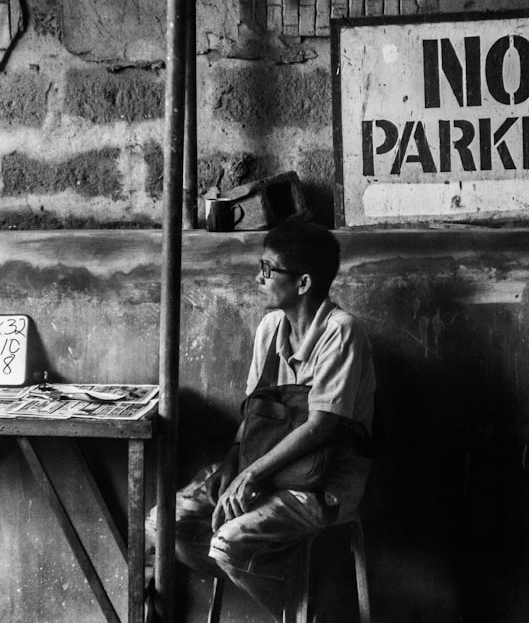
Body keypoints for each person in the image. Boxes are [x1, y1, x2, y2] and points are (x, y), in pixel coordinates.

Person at [148, 217, 376, 622]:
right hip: (265, 465)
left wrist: (249, 477)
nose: (259, 277)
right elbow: (253, 412)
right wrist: (233, 467)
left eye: (269, 270)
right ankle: (289, 592)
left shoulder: (342, 333)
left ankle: (309, 614)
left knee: (228, 543)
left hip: (323, 479)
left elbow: (321, 426)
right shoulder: (271, 327)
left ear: (303, 283)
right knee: (162, 524)